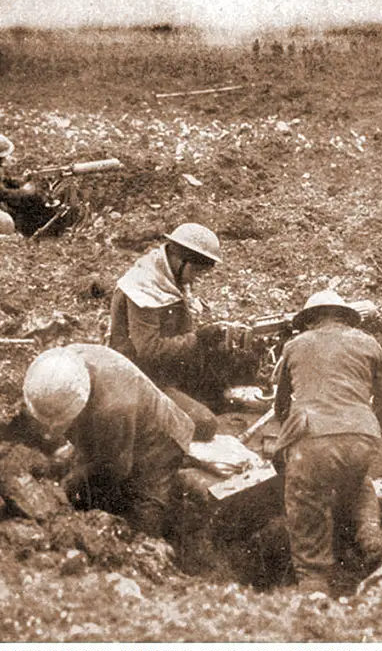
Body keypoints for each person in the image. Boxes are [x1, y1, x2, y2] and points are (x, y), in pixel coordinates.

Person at [273, 290, 382, 595]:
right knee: (357, 480)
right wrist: (369, 425)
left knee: (306, 502)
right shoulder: (367, 343)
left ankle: (313, 586)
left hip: (313, 437)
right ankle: (370, 538)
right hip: (362, 436)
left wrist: (293, 434)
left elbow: (280, 407)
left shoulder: (295, 345)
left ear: (309, 320)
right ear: (346, 317)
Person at [20, 344, 236, 538]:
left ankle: (153, 556)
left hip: (160, 440)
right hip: (122, 419)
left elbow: (116, 468)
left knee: (145, 511)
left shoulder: (114, 407)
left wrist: (69, 483)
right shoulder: (66, 363)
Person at [109, 223, 237, 434]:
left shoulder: (168, 279)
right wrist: (198, 339)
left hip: (168, 369)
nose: (196, 278)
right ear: (179, 260)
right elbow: (149, 350)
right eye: (196, 270)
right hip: (141, 377)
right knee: (205, 424)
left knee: (228, 380)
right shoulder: (143, 287)